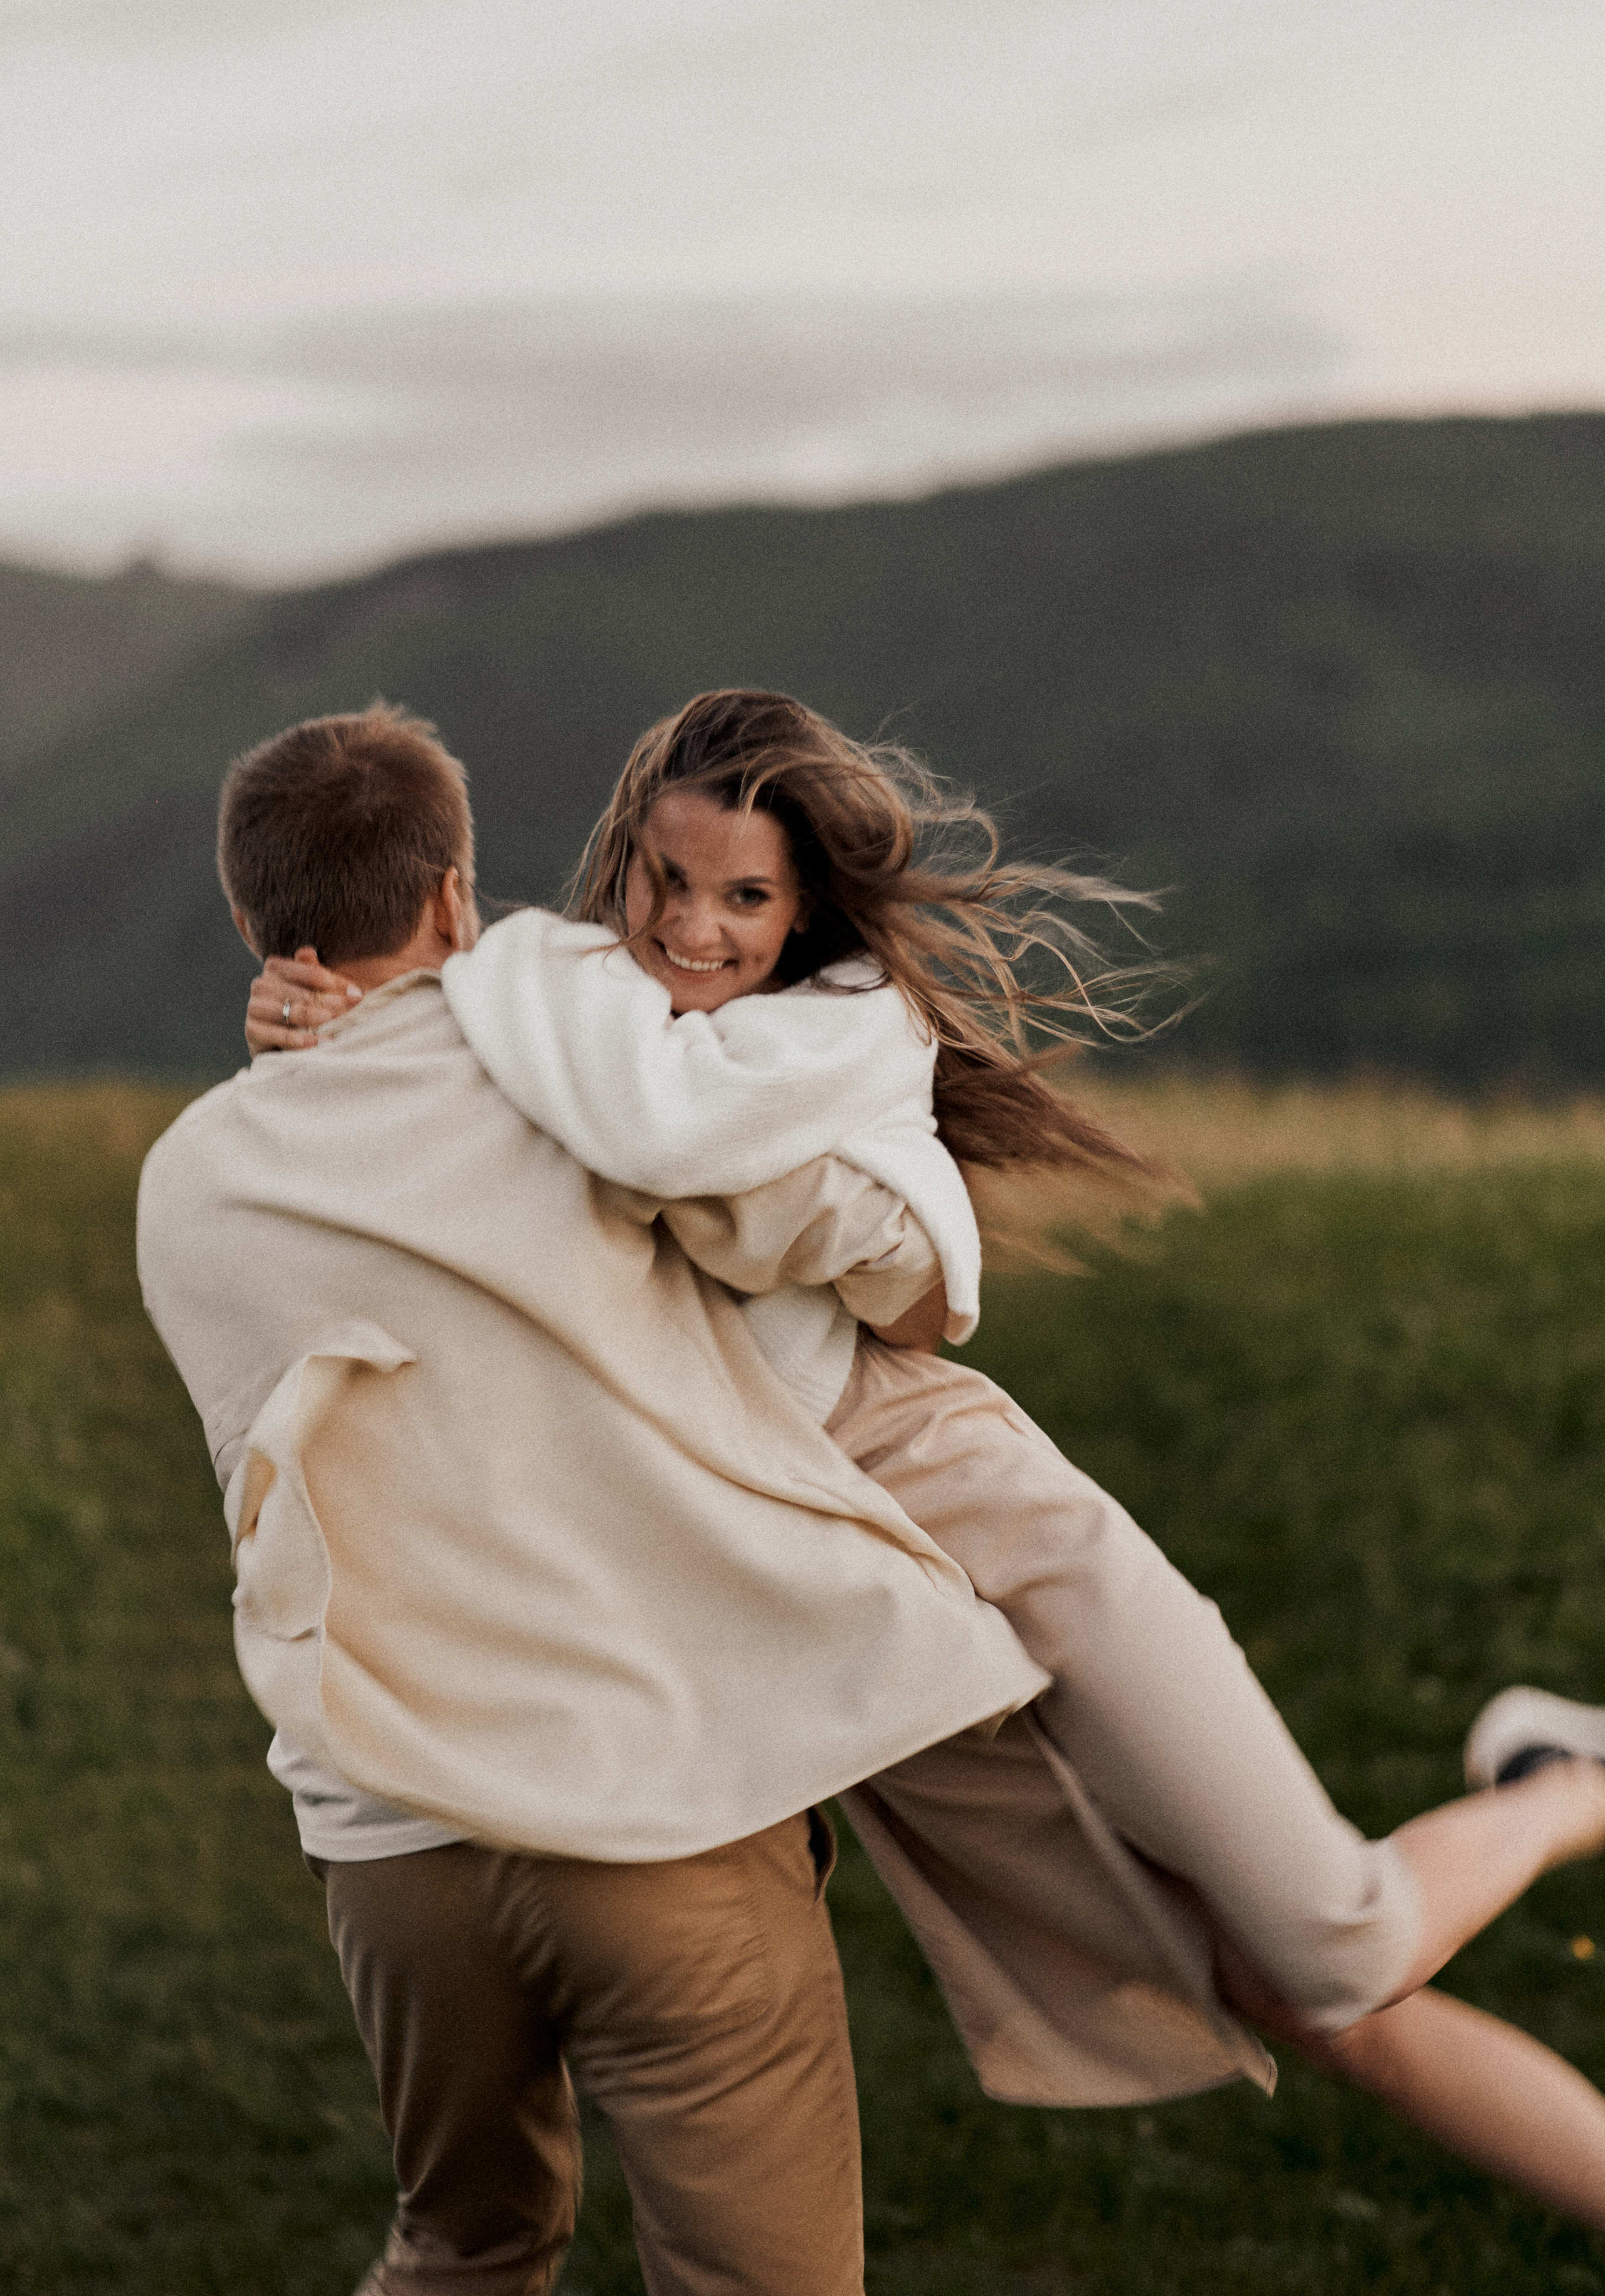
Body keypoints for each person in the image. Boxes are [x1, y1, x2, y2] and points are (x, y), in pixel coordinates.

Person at [254, 687, 1605, 2234]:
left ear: (805, 905)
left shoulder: (834, 1033)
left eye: (744, 896)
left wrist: (474, 1071)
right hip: (829, 1593)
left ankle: (1569, 1785)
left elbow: (836, 1235)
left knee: (1339, 1949)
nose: (691, 927)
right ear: (618, 855)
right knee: (1276, 1998)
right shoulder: (564, 1018)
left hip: (959, 1499)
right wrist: (328, 1038)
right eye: (662, 878)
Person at [140, 704, 1053, 2296]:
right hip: (664, 1812)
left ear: (251, 921)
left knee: (458, 2248)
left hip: (389, 1851)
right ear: (451, 900)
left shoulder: (187, 1184)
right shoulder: (602, 1107)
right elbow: (858, 1253)